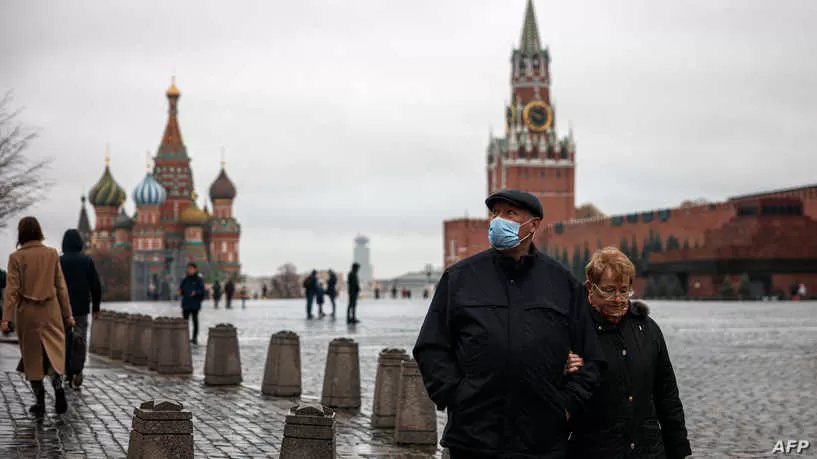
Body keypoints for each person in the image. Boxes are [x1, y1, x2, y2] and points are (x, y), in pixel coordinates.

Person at [413, 189, 604, 458]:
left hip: (541, 442)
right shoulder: (460, 278)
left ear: (534, 224)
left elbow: (592, 357)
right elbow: (431, 346)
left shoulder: (562, 284)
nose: (498, 220)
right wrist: (457, 396)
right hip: (473, 441)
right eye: (495, 213)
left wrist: (565, 405)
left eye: (510, 213)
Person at [566, 247, 692, 458]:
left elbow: (667, 397)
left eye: (623, 290)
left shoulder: (648, 329)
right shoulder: (572, 330)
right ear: (590, 287)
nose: (617, 298)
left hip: (648, 451)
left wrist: (679, 449)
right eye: (608, 290)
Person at [1, 217, 75, 417]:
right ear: (39, 232)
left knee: (33, 358)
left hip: (28, 313)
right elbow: (61, 287)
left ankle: (40, 401)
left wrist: (6, 319)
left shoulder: (16, 258)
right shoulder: (51, 254)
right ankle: (59, 390)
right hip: (51, 312)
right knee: (53, 356)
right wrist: (68, 315)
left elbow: (12, 291)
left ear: (21, 233)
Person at [59, 229, 102, 389]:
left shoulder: (59, 261)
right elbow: (96, 286)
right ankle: (77, 370)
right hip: (81, 308)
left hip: (62, 309)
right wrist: (96, 306)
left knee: (63, 339)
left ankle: (66, 370)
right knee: (80, 338)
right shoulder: (87, 261)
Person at [178, 263, 205, 345]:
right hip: (186, 303)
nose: (189, 270)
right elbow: (181, 289)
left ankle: (194, 338)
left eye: (191, 268)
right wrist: (180, 291)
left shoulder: (199, 280)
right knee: (185, 321)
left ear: (195, 269)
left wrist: (196, 292)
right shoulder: (185, 279)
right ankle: (184, 337)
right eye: (188, 268)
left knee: (195, 321)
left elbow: (202, 291)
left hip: (195, 304)